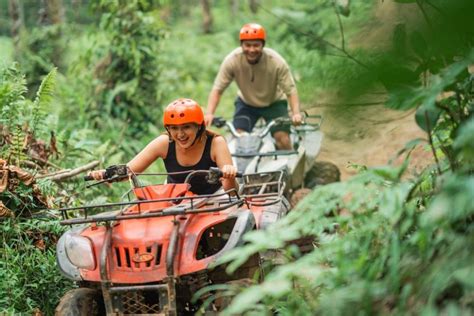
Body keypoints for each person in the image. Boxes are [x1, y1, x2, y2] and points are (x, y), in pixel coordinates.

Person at [89, 98, 238, 195]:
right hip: (175, 198)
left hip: (213, 198)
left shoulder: (216, 143)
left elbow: (232, 192)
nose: (180, 134)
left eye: (186, 127)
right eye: (174, 128)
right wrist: (105, 174)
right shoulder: (164, 143)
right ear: (168, 129)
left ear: (199, 127)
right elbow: (129, 171)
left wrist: (229, 175)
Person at [204, 23, 303, 150]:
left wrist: (296, 113)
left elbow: (291, 90)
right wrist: (209, 113)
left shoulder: (276, 62)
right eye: (247, 45)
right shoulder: (232, 60)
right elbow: (218, 89)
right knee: (238, 138)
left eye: (256, 45)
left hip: (274, 103)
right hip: (247, 104)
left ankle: (288, 168)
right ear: (241, 45)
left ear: (263, 45)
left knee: (282, 139)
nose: (251, 50)